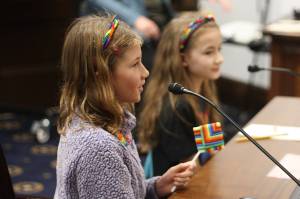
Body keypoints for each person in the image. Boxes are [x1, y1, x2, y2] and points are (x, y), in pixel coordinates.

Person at [54, 14, 196, 199]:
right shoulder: (98, 149)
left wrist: (155, 186)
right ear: (102, 74)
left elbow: (119, 187)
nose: (145, 72)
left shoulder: (106, 121)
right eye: (135, 64)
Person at [137, 13, 224, 176]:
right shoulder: (176, 107)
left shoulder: (203, 93)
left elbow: (211, 149)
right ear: (183, 59)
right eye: (209, 52)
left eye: (219, 49)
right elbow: (188, 169)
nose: (219, 59)